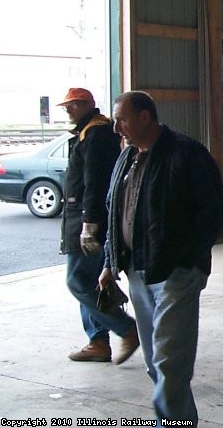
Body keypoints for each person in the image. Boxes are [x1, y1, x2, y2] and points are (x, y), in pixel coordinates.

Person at [98, 90, 223, 426]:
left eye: (121, 120)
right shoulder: (126, 159)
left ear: (145, 117)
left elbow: (213, 214)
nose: (116, 128)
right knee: (156, 360)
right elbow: (115, 212)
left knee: (171, 360)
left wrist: (188, 261)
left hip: (174, 273)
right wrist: (110, 263)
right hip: (137, 272)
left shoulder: (187, 154)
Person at [58, 87, 139, 364]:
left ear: (87, 105)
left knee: (78, 281)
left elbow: (94, 183)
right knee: (90, 282)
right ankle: (97, 342)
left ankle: (126, 328)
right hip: (79, 215)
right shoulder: (86, 133)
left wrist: (89, 225)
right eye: (67, 106)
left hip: (87, 218)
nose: (68, 110)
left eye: (74, 105)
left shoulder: (96, 134)